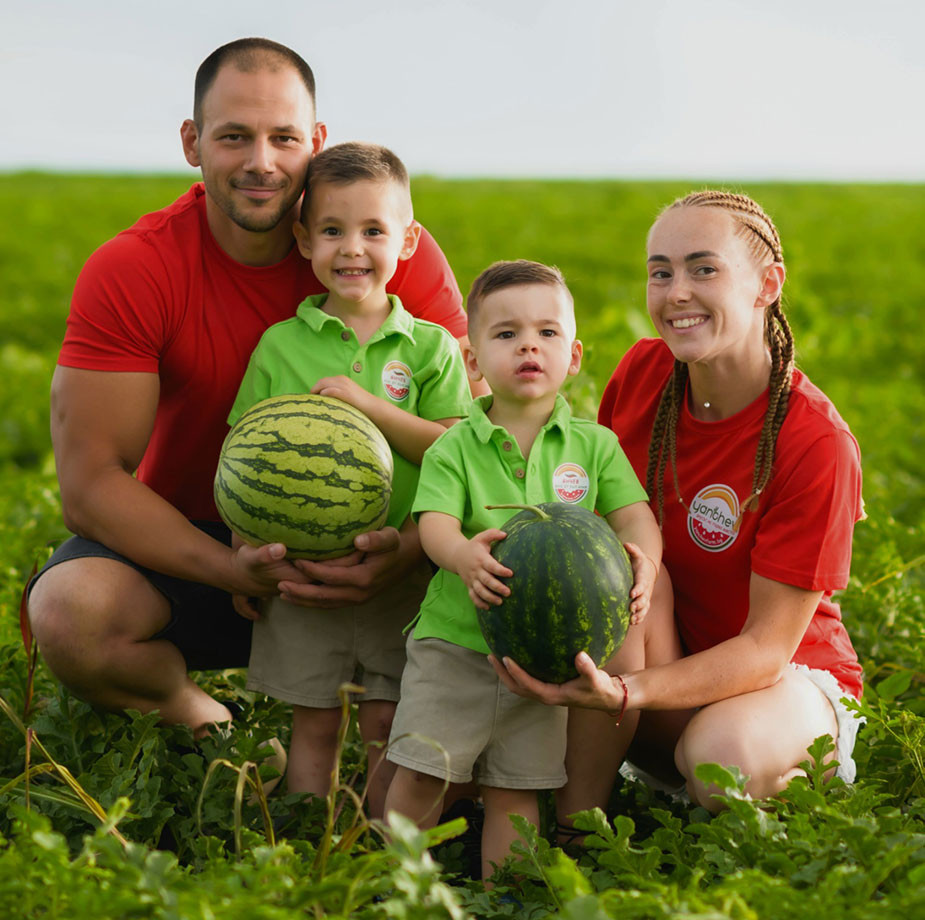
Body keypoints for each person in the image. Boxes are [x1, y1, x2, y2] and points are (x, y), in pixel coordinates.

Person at [26, 38, 475, 738]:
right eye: (234, 136)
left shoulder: (382, 254)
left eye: (284, 138)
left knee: (525, 552)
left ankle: (456, 766)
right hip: (203, 541)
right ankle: (199, 717)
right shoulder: (134, 269)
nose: (261, 162)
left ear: (317, 141)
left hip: (392, 547)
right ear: (192, 142)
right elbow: (90, 484)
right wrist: (233, 568)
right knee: (71, 612)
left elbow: (479, 442)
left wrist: (413, 547)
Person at [492, 191, 865, 821]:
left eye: (703, 268)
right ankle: (578, 826)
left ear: (767, 284)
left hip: (781, 681)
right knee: (633, 563)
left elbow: (766, 650)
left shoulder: (815, 440)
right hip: (662, 669)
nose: (676, 292)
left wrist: (624, 692)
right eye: (660, 271)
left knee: (722, 761)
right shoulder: (642, 373)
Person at [383, 260, 663, 880]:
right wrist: (461, 555)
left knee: (519, 786)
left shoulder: (595, 445)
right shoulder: (454, 444)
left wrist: (645, 564)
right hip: (455, 643)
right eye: (506, 334)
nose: (529, 345)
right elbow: (433, 523)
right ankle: (394, 879)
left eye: (547, 333)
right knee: (425, 770)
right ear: (473, 360)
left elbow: (636, 518)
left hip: (543, 657)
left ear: (575, 355)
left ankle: (504, 895)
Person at [228, 142, 471, 817]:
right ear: (303, 239)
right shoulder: (281, 344)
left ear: (408, 241)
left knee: (386, 721)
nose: (351, 249)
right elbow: (242, 457)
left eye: (372, 231)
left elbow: (455, 450)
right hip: (303, 574)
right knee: (312, 721)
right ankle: (309, 838)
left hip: (403, 567)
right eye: (332, 230)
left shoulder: (430, 349)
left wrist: (368, 407)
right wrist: (238, 550)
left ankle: (371, 845)